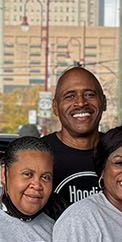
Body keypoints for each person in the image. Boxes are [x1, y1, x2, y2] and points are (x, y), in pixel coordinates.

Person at [39, 64, 107, 217]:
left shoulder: (118, 151)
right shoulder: (37, 153)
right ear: (55, 107)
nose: (81, 102)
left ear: (103, 102)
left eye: (89, 94)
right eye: (70, 96)